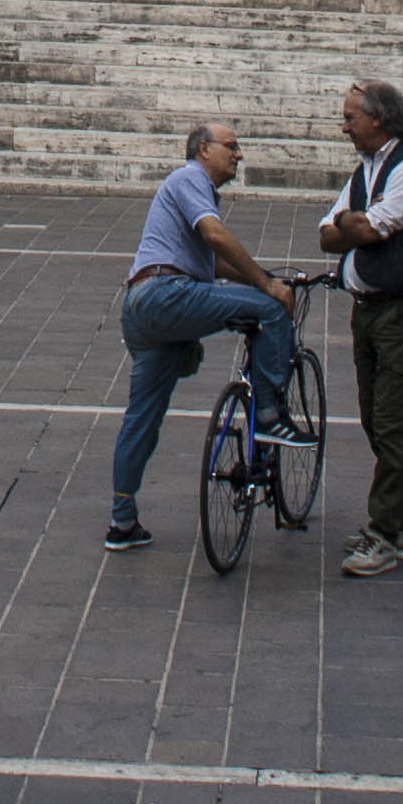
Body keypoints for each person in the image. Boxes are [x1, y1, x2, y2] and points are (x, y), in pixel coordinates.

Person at [107, 121, 297, 551]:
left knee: (143, 417)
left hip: (140, 305)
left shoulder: (189, 188)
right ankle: (268, 414)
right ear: (203, 149)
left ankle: (122, 520)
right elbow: (214, 236)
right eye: (231, 146)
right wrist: (269, 290)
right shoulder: (190, 177)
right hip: (168, 294)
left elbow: (216, 266)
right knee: (269, 311)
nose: (239, 154)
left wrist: (261, 276)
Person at [319, 78, 403, 580]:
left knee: (393, 423)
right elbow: (327, 234)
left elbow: (370, 230)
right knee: (377, 420)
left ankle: (385, 532)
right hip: (369, 310)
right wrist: (353, 225)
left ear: (381, 119)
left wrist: (352, 226)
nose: (344, 124)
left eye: (352, 116)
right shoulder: (365, 172)